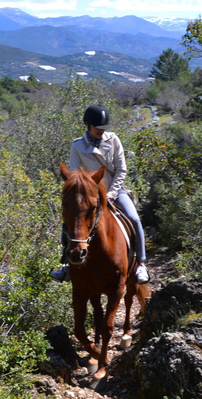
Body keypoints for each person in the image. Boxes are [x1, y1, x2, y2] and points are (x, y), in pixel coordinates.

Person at [50, 104, 150, 284]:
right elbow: (75, 174)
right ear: (87, 124)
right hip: (89, 195)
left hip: (114, 191)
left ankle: (141, 263)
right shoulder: (77, 146)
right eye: (97, 127)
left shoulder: (113, 140)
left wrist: (111, 193)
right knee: (69, 224)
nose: (101, 131)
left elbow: (122, 170)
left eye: (104, 128)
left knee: (134, 219)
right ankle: (66, 266)